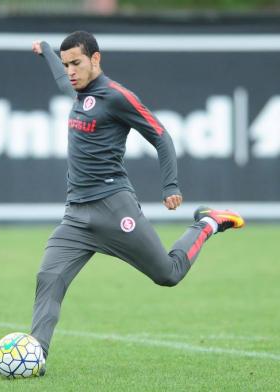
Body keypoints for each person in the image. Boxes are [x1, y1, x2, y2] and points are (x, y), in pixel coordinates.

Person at [28, 31, 244, 375]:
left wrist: (170, 184)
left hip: (114, 209)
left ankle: (207, 223)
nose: (70, 70)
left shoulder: (117, 97)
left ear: (96, 59)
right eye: (66, 64)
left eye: (76, 63)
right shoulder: (77, 91)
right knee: (49, 277)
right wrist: (47, 54)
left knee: (167, 274)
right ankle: (34, 355)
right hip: (75, 216)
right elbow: (59, 80)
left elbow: (160, 134)